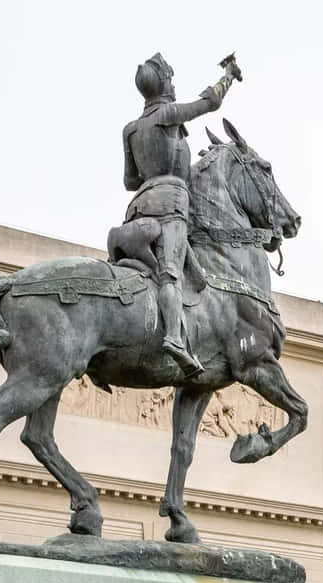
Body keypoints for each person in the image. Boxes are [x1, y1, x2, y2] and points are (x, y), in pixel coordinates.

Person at [118, 52, 236, 378]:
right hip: (170, 206)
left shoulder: (130, 129)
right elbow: (209, 102)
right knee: (170, 273)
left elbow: (130, 180)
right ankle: (173, 337)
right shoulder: (168, 113)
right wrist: (228, 75)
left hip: (139, 207)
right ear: (166, 83)